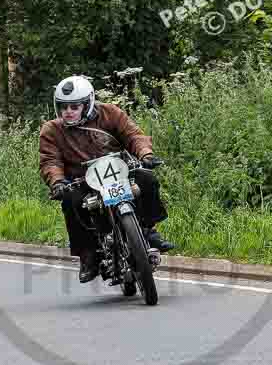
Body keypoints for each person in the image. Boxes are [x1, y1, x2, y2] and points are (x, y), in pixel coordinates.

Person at [39, 75, 174, 283]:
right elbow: (50, 161)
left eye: (74, 106)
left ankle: (149, 229)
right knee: (70, 200)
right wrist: (57, 182)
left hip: (120, 172)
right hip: (83, 182)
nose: (68, 111)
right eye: (64, 107)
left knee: (147, 179)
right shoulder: (52, 130)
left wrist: (145, 154)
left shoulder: (110, 113)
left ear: (88, 103)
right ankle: (88, 255)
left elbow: (133, 135)